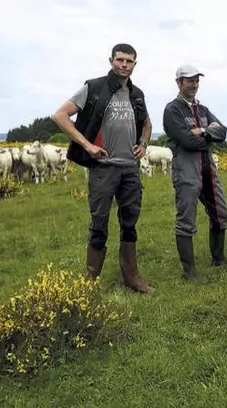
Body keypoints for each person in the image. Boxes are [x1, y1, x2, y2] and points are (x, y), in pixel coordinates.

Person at [53, 43, 155, 294]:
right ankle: (90, 281)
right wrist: (87, 146)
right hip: (103, 168)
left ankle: (132, 277)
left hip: (130, 168)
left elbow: (147, 124)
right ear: (111, 61)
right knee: (99, 222)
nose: (124, 65)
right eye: (120, 60)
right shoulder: (94, 88)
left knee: (130, 223)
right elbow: (60, 116)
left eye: (129, 61)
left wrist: (143, 143)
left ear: (135, 64)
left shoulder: (137, 94)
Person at [162, 64, 227, 284]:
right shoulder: (172, 110)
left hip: (207, 167)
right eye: (189, 80)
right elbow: (186, 140)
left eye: (196, 80)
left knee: (221, 212)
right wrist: (208, 134)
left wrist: (202, 131)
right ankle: (189, 271)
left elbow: (223, 131)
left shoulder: (202, 109)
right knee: (186, 219)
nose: (194, 84)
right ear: (179, 83)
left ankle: (218, 258)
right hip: (186, 168)